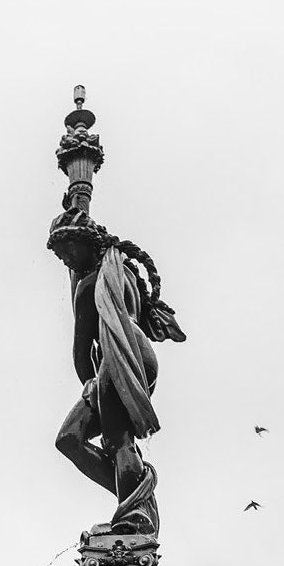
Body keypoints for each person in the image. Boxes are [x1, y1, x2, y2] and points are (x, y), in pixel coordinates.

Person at [50, 221, 185, 531]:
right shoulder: (120, 273)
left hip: (117, 356)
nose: (66, 260)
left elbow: (81, 350)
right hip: (139, 354)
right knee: (70, 439)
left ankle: (135, 510)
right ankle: (134, 500)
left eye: (68, 251)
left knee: (115, 439)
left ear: (88, 244)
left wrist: (91, 384)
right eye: (61, 257)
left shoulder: (92, 285)